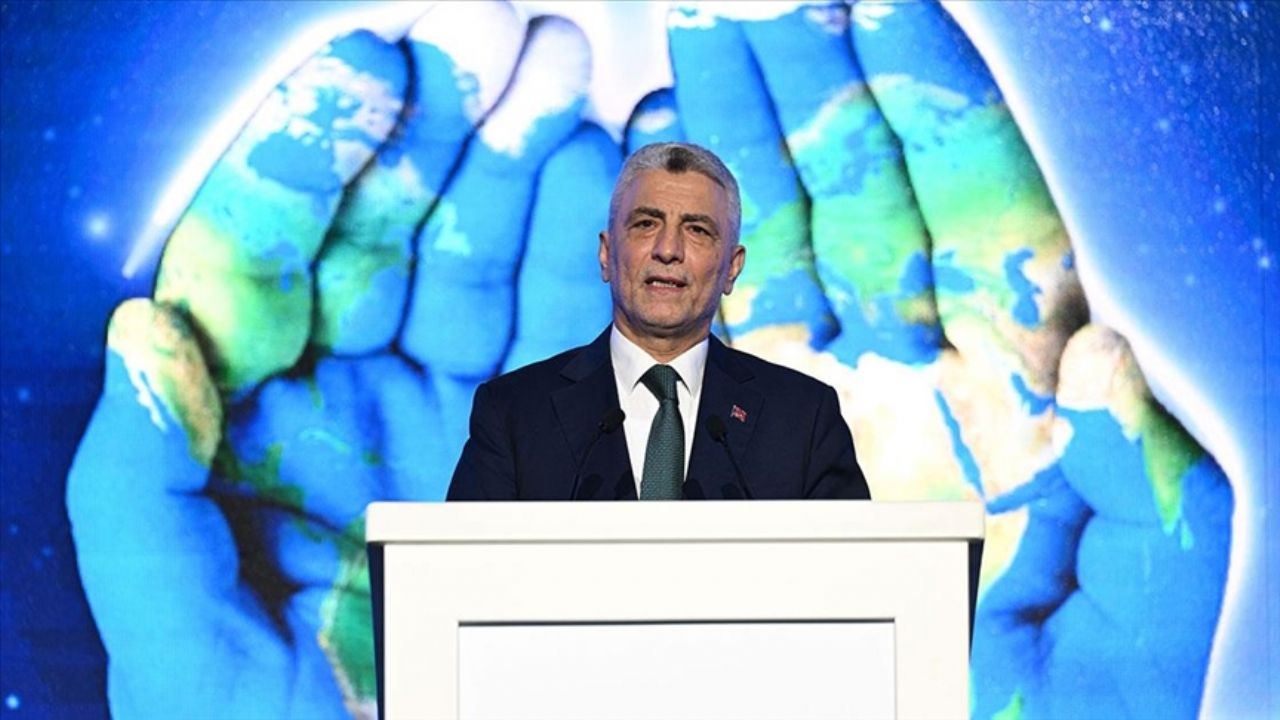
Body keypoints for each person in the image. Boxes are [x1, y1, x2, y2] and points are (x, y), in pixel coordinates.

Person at [446, 142, 871, 501]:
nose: (668, 250)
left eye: (697, 230)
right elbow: (463, 568)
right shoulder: (515, 413)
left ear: (732, 268)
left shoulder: (802, 419)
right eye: (646, 224)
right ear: (607, 254)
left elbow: (855, 569)